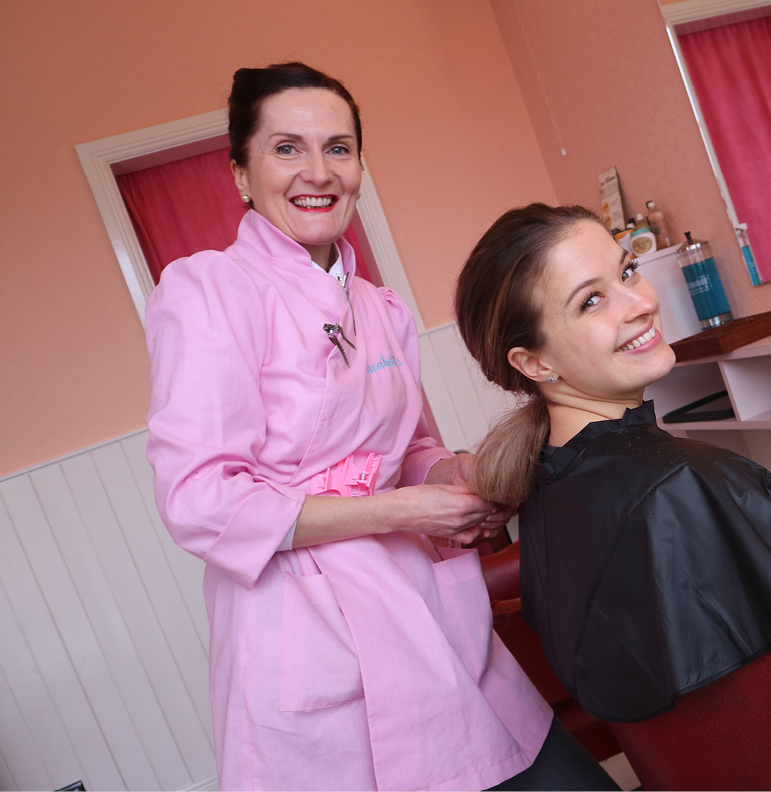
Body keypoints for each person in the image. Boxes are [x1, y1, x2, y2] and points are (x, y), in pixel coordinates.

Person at [145, 65, 614, 790]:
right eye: (286, 149)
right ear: (240, 172)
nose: (318, 171)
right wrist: (398, 510)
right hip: (303, 628)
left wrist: (461, 475)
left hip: (420, 609)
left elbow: (414, 452)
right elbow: (200, 500)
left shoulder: (380, 308)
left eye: (339, 148)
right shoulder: (205, 292)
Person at [453, 204, 771, 724]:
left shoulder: (547, 492)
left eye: (626, 272)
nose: (641, 303)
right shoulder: (680, 483)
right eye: (592, 301)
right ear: (535, 363)